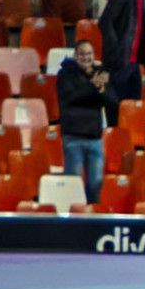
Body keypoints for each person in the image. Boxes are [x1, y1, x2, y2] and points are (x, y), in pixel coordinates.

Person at [56, 40, 114, 204]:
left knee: (96, 183)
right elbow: (71, 98)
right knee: (73, 184)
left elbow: (108, 100)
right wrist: (94, 87)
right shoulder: (65, 74)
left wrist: (101, 89)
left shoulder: (98, 73)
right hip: (73, 137)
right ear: (75, 56)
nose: (85, 57)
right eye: (81, 53)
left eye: (89, 53)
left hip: (95, 137)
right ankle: (72, 221)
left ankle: (93, 218)